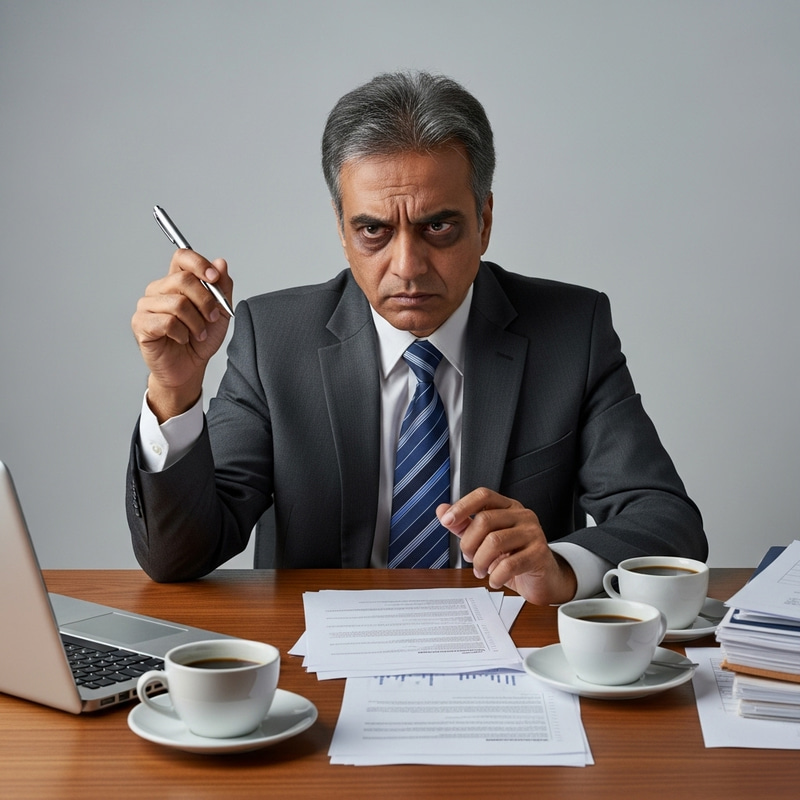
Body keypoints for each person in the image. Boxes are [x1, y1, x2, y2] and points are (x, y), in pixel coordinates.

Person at [127, 71, 706, 603]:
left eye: (439, 226)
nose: (407, 266)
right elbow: (180, 556)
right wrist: (174, 391)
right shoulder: (273, 341)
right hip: (321, 661)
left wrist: (559, 565)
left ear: (485, 220)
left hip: (512, 658)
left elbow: (667, 524)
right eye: (374, 230)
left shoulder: (570, 332)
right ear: (341, 229)